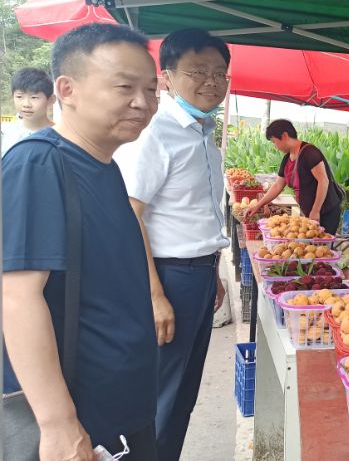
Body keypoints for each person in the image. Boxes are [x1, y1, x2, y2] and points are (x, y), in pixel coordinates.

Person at [2, 23, 160, 460]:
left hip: (122, 407)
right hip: (82, 422)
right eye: (125, 87)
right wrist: (58, 425)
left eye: (151, 90)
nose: (142, 102)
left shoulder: (104, 164)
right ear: (67, 90)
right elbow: (17, 298)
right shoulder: (38, 163)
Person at [114, 28, 229, 460]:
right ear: (167, 76)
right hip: (167, 277)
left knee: (183, 394)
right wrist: (154, 294)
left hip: (198, 274)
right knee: (161, 396)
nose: (211, 82)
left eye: (219, 73)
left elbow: (195, 215)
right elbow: (130, 214)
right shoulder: (155, 134)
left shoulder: (203, 134)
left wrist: (214, 273)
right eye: (197, 72)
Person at [247, 119, 343, 233]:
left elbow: (323, 181)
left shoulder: (310, 153)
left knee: (322, 243)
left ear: (284, 135)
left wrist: (315, 210)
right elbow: (278, 186)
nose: (275, 146)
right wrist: (258, 205)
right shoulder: (287, 158)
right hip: (309, 212)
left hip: (326, 212)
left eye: (274, 141)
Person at [1, 67, 56, 156]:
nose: (26, 104)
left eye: (34, 97)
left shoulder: (60, 136)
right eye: (19, 97)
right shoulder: (5, 133)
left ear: (50, 100)